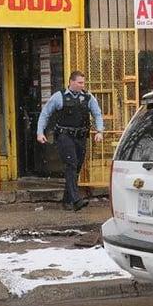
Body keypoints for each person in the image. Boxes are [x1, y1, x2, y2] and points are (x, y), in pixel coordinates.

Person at [37, 71, 104, 211]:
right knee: (71, 164)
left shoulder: (87, 97)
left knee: (76, 168)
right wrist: (40, 132)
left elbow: (97, 113)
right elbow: (45, 113)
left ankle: (66, 201)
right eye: (80, 82)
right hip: (64, 136)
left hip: (80, 136)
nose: (82, 85)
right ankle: (76, 199)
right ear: (71, 82)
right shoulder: (59, 97)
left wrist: (99, 131)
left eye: (83, 83)